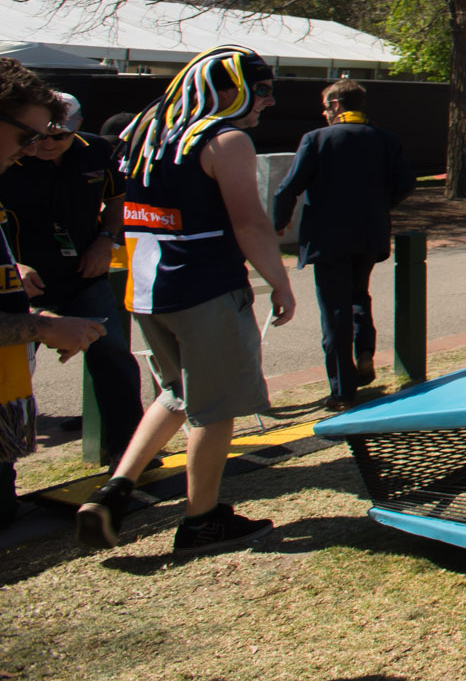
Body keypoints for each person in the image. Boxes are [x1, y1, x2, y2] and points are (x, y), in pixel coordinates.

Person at [75, 46, 296, 557]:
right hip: (204, 286)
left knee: (177, 392)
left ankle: (114, 490)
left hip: (149, 286)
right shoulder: (224, 139)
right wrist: (279, 282)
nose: (268, 101)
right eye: (260, 90)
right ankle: (203, 520)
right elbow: (249, 222)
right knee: (215, 409)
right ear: (225, 90)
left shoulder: (147, 131)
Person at [0, 90, 144, 465]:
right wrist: (13, 265)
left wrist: (105, 240)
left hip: (81, 273)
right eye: (36, 136)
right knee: (13, 366)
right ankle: (9, 461)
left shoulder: (97, 151)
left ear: (78, 127)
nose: (43, 145)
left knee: (112, 352)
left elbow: (118, 200)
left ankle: (128, 453)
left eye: (58, 136)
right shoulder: (10, 154)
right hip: (19, 283)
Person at [269, 79, 414, 411]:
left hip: (327, 237)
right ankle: (365, 350)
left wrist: (279, 222)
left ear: (335, 105)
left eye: (325, 107)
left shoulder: (316, 139)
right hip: (369, 233)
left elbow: (288, 187)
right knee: (358, 295)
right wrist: (380, 205)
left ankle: (342, 389)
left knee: (334, 311)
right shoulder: (386, 139)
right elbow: (406, 183)